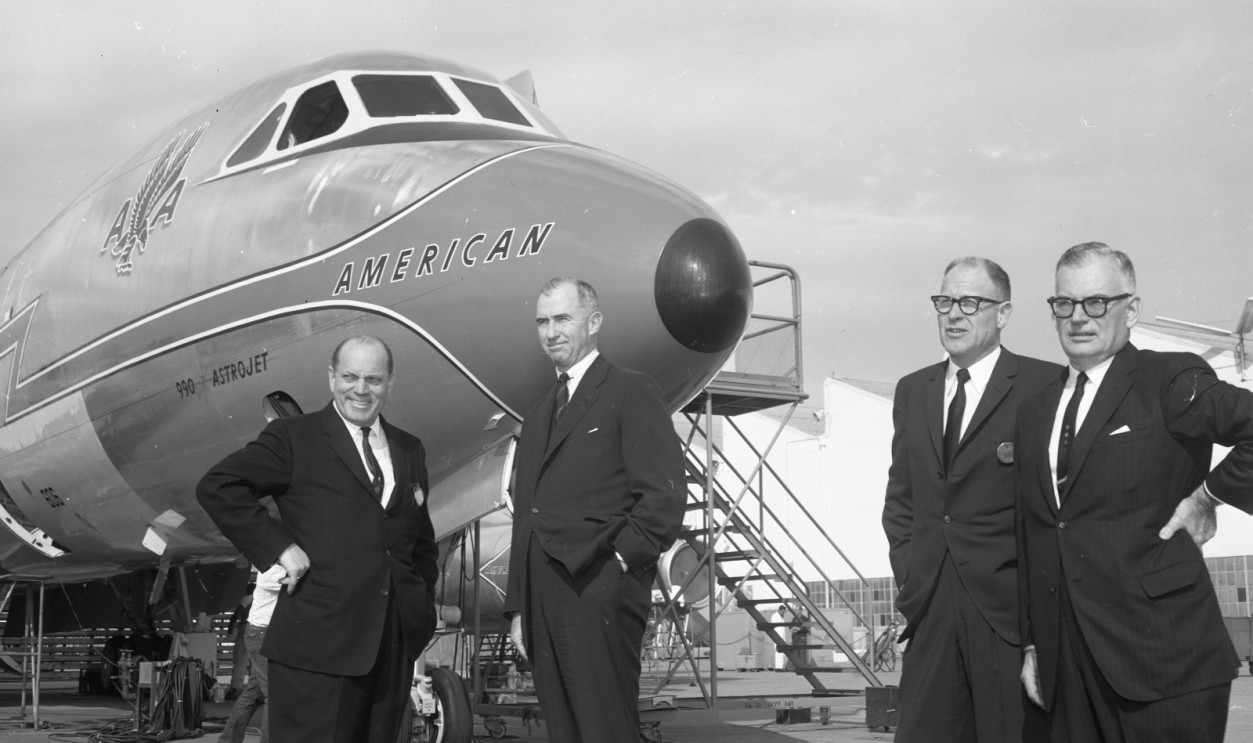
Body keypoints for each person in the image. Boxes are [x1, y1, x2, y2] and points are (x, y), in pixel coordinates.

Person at [1016, 242, 1253, 742]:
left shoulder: (1169, 379)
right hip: (1069, 672)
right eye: (1065, 304)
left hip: (1165, 663)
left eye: (1097, 302)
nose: (1079, 317)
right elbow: (1035, 534)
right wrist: (1034, 647)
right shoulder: (1035, 411)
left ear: (1133, 309)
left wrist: (1208, 496)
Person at [197, 335, 439, 743]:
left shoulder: (408, 447)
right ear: (331, 378)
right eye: (350, 376)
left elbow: (421, 543)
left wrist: (418, 604)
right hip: (317, 650)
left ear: (390, 383)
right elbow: (218, 486)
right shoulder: (295, 437)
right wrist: (279, 548)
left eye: (373, 379)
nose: (361, 389)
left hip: (390, 649)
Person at [882, 257, 1059, 742]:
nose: (953, 314)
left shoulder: (1044, 384)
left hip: (1005, 614)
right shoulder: (914, 390)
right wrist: (914, 575)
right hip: (932, 607)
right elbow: (901, 501)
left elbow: (1052, 510)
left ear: (1002, 313)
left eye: (969, 302)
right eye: (944, 302)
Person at [502, 277, 686, 743]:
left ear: (595, 322)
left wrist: (620, 566)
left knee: (605, 728)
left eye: (563, 318)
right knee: (563, 729)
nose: (550, 332)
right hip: (543, 598)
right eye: (542, 322)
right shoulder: (539, 412)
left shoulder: (630, 391)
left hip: (598, 589)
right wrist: (519, 610)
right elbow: (528, 514)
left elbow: (663, 499)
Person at [218, 564, 283, 743]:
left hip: (260, 633)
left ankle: (228, 740)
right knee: (273, 693)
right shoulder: (273, 570)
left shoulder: (276, 567)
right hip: (260, 633)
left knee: (252, 693)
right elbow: (297, 582)